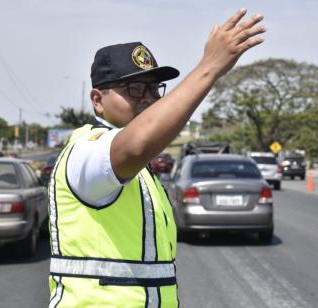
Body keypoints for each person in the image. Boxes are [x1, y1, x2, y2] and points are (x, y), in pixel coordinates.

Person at [47, 9, 265, 307]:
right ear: (98, 100)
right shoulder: (86, 150)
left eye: (154, 88)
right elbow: (136, 144)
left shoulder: (142, 172)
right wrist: (210, 66)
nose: (148, 98)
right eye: (135, 88)